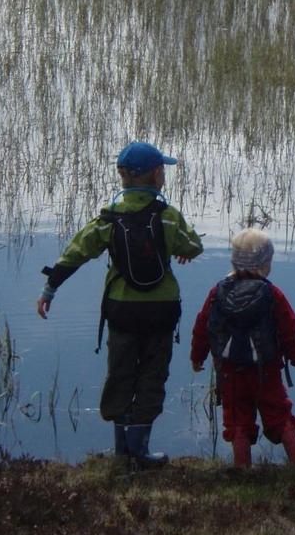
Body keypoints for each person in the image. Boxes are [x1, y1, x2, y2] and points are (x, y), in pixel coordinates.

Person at [36, 141, 203, 468]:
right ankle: (142, 451)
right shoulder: (168, 217)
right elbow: (193, 245)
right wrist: (182, 250)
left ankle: (121, 451)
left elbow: (75, 254)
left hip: (121, 310)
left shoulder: (108, 219)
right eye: (163, 170)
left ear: (122, 176)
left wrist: (49, 290)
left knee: (121, 373)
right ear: (157, 175)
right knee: (153, 375)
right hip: (161, 310)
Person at [190, 228, 295, 468]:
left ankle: (242, 469)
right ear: (266, 264)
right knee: (280, 416)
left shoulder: (217, 292)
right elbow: (290, 330)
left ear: (234, 261)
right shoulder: (272, 294)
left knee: (237, 422)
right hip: (265, 370)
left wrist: (197, 356)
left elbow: (202, 326)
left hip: (230, 371)